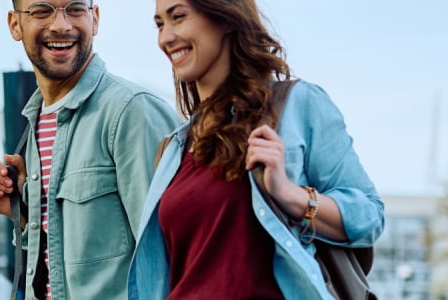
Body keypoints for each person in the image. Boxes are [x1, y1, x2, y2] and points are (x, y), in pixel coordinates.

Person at [129, 0, 384, 299]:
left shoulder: (297, 105)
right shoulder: (172, 149)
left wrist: (291, 195)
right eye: (160, 24)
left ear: (225, 17)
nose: (165, 38)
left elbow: (369, 217)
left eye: (179, 17)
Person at [0, 0, 181, 299]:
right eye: (42, 10)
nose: (61, 25)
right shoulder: (38, 121)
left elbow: (172, 260)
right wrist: (25, 212)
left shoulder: (131, 112)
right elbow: (65, 261)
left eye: (74, 9)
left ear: (94, 18)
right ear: (14, 25)